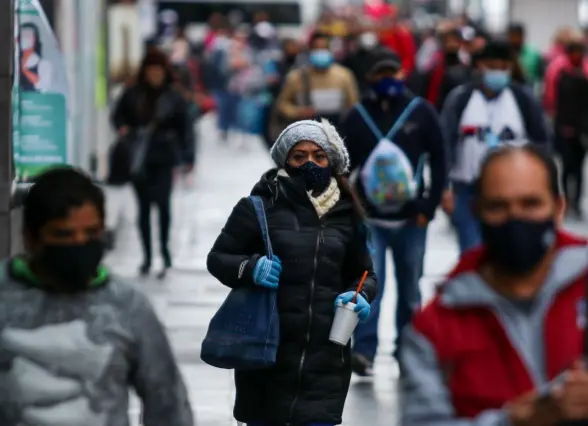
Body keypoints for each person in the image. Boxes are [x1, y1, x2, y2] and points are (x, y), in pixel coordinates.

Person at [0, 167, 194, 426]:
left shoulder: (127, 306)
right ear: (30, 237)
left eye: (91, 234)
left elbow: (167, 405)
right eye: (64, 234)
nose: (79, 244)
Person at [400, 145, 588, 426]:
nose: (515, 219)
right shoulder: (435, 328)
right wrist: (512, 421)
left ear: (558, 207)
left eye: (530, 204)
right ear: (477, 212)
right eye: (498, 207)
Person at [207, 119, 377, 426]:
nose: (309, 162)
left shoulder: (348, 214)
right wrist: (250, 268)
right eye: (299, 156)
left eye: (318, 155)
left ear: (331, 161)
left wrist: (360, 294)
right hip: (267, 356)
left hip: (325, 361)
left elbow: (366, 274)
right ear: (285, 160)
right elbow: (219, 258)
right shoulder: (258, 205)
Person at [340, 47, 447, 376]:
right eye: (380, 74)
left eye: (393, 73)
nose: (388, 80)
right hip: (371, 220)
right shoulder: (357, 116)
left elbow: (440, 159)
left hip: (411, 219)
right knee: (371, 286)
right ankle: (364, 351)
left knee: (410, 288)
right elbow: (343, 166)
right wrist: (351, 208)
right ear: (369, 78)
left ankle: (407, 350)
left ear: (402, 74)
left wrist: (429, 206)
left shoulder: (420, 112)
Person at [440, 40, 549, 253]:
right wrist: (444, 188)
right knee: (472, 251)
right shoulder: (461, 98)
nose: (498, 73)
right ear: (480, 67)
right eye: (492, 67)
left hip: (514, 189)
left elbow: (541, 142)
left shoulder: (522, 99)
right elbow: (445, 142)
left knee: (509, 251)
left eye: (503, 68)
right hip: (468, 189)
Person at [112, 49, 192, 278]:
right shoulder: (133, 94)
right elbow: (117, 116)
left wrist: (188, 158)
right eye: (151, 71)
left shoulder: (174, 97)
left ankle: (165, 252)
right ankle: (147, 256)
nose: (154, 75)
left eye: (158, 71)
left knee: (164, 206)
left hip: (164, 157)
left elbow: (185, 128)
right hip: (140, 159)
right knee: (144, 208)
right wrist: (125, 130)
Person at [276, 32, 359, 126]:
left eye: (324, 48)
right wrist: (297, 112)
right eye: (317, 49)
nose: (321, 52)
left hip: (337, 129)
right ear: (310, 50)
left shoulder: (344, 75)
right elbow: (282, 104)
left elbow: (354, 105)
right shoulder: (297, 77)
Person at [551, 36, 588, 219]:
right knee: (566, 168)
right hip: (563, 127)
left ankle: (576, 203)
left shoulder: (585, 74)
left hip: (581, 130)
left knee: (578, 169)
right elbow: (552, 100)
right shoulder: (559, 72)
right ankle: (566, 201)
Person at [507, 22, 544, 94]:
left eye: (517, 36)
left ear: (523, 36)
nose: (515, 39)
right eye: (512, 36)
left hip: (529, 92)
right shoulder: (504, 54)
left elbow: (540, 77)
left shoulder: (533, 54)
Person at [19, 23, 52, 92]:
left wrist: (24, 70)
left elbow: (42, 85)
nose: (24, 39)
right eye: (22, 36)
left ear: (35, 39)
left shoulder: (44, 64)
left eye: (28, 36)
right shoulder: (14, 61)